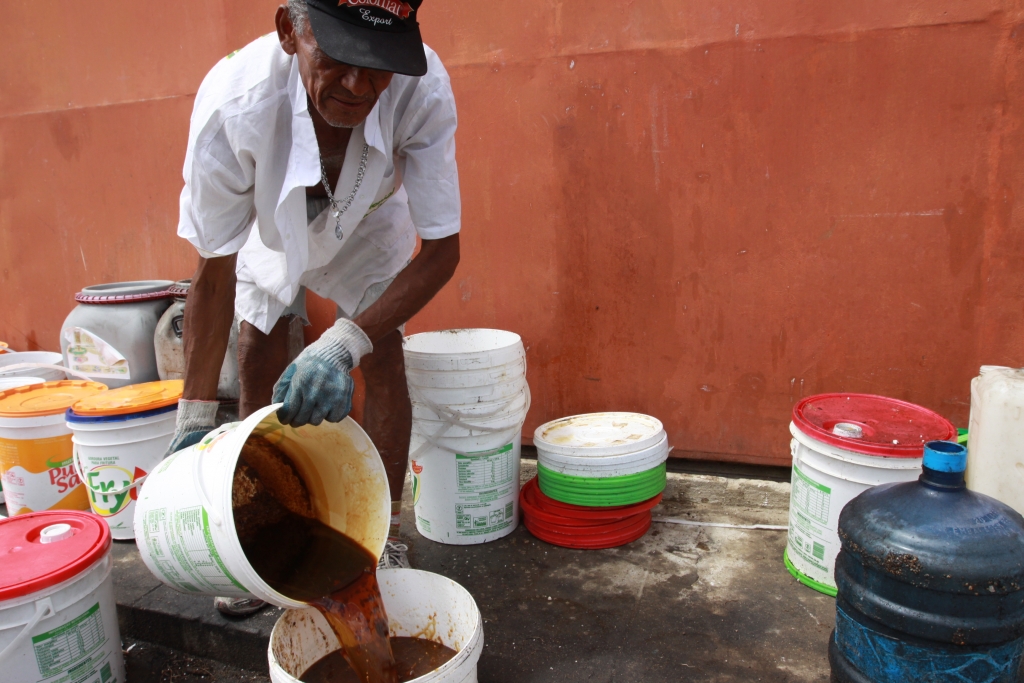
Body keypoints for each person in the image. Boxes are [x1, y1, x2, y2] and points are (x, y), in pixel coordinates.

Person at [169, 0, 461, 616]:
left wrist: (343, 343)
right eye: (339, 57)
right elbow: (214, 273)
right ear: (289, 32)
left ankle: (384, 537)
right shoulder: (234, 105)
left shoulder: (421, 88)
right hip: (271, 217)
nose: (359, 85)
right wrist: (192, 418)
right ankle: (251, 538)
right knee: (258, 341)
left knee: (382, 354)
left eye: (378, 65)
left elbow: (442, 252)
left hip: (369, 216)